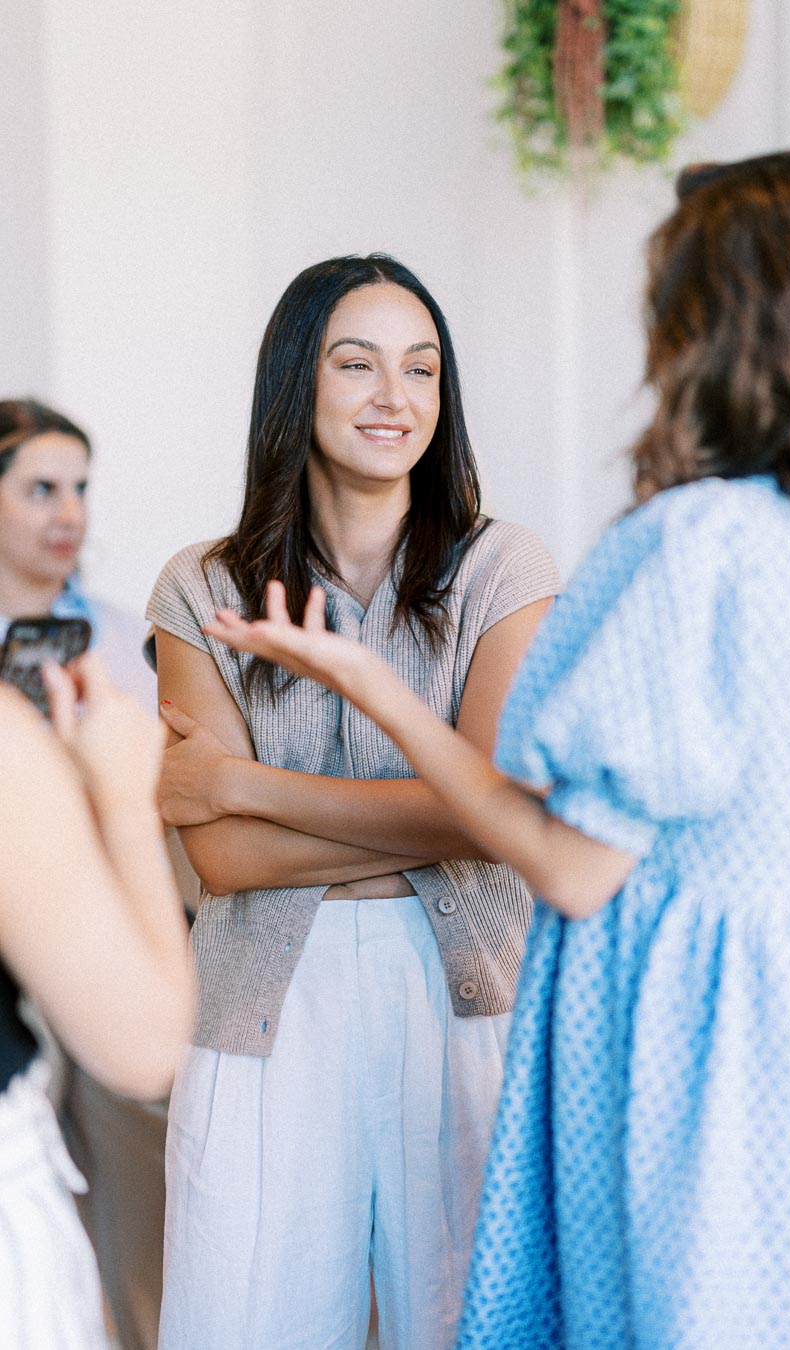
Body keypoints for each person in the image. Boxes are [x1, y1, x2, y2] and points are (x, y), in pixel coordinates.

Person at [206, 151, 790, 1349]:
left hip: (692, 1050)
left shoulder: (698, 545)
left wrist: (367, 687)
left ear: (706, 322)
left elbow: (574, 867)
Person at [147, 253, 559, 1349]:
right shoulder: (201, 587)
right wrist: (444, 819)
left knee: (475, 1324)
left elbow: (495, 808)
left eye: (422, 370)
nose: (396, 398)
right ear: (298, 383)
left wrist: (242, 785)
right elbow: (224, 863)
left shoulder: (504, 570)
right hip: (259, 1019)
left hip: (470, 1007)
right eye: (358, 364)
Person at [0, 398, 198, 1350]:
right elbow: (149, 1037)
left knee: (134, 1198)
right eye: (41, 487)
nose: (67, 512)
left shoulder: (123, 641)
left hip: (107, 941)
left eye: (80, 487)